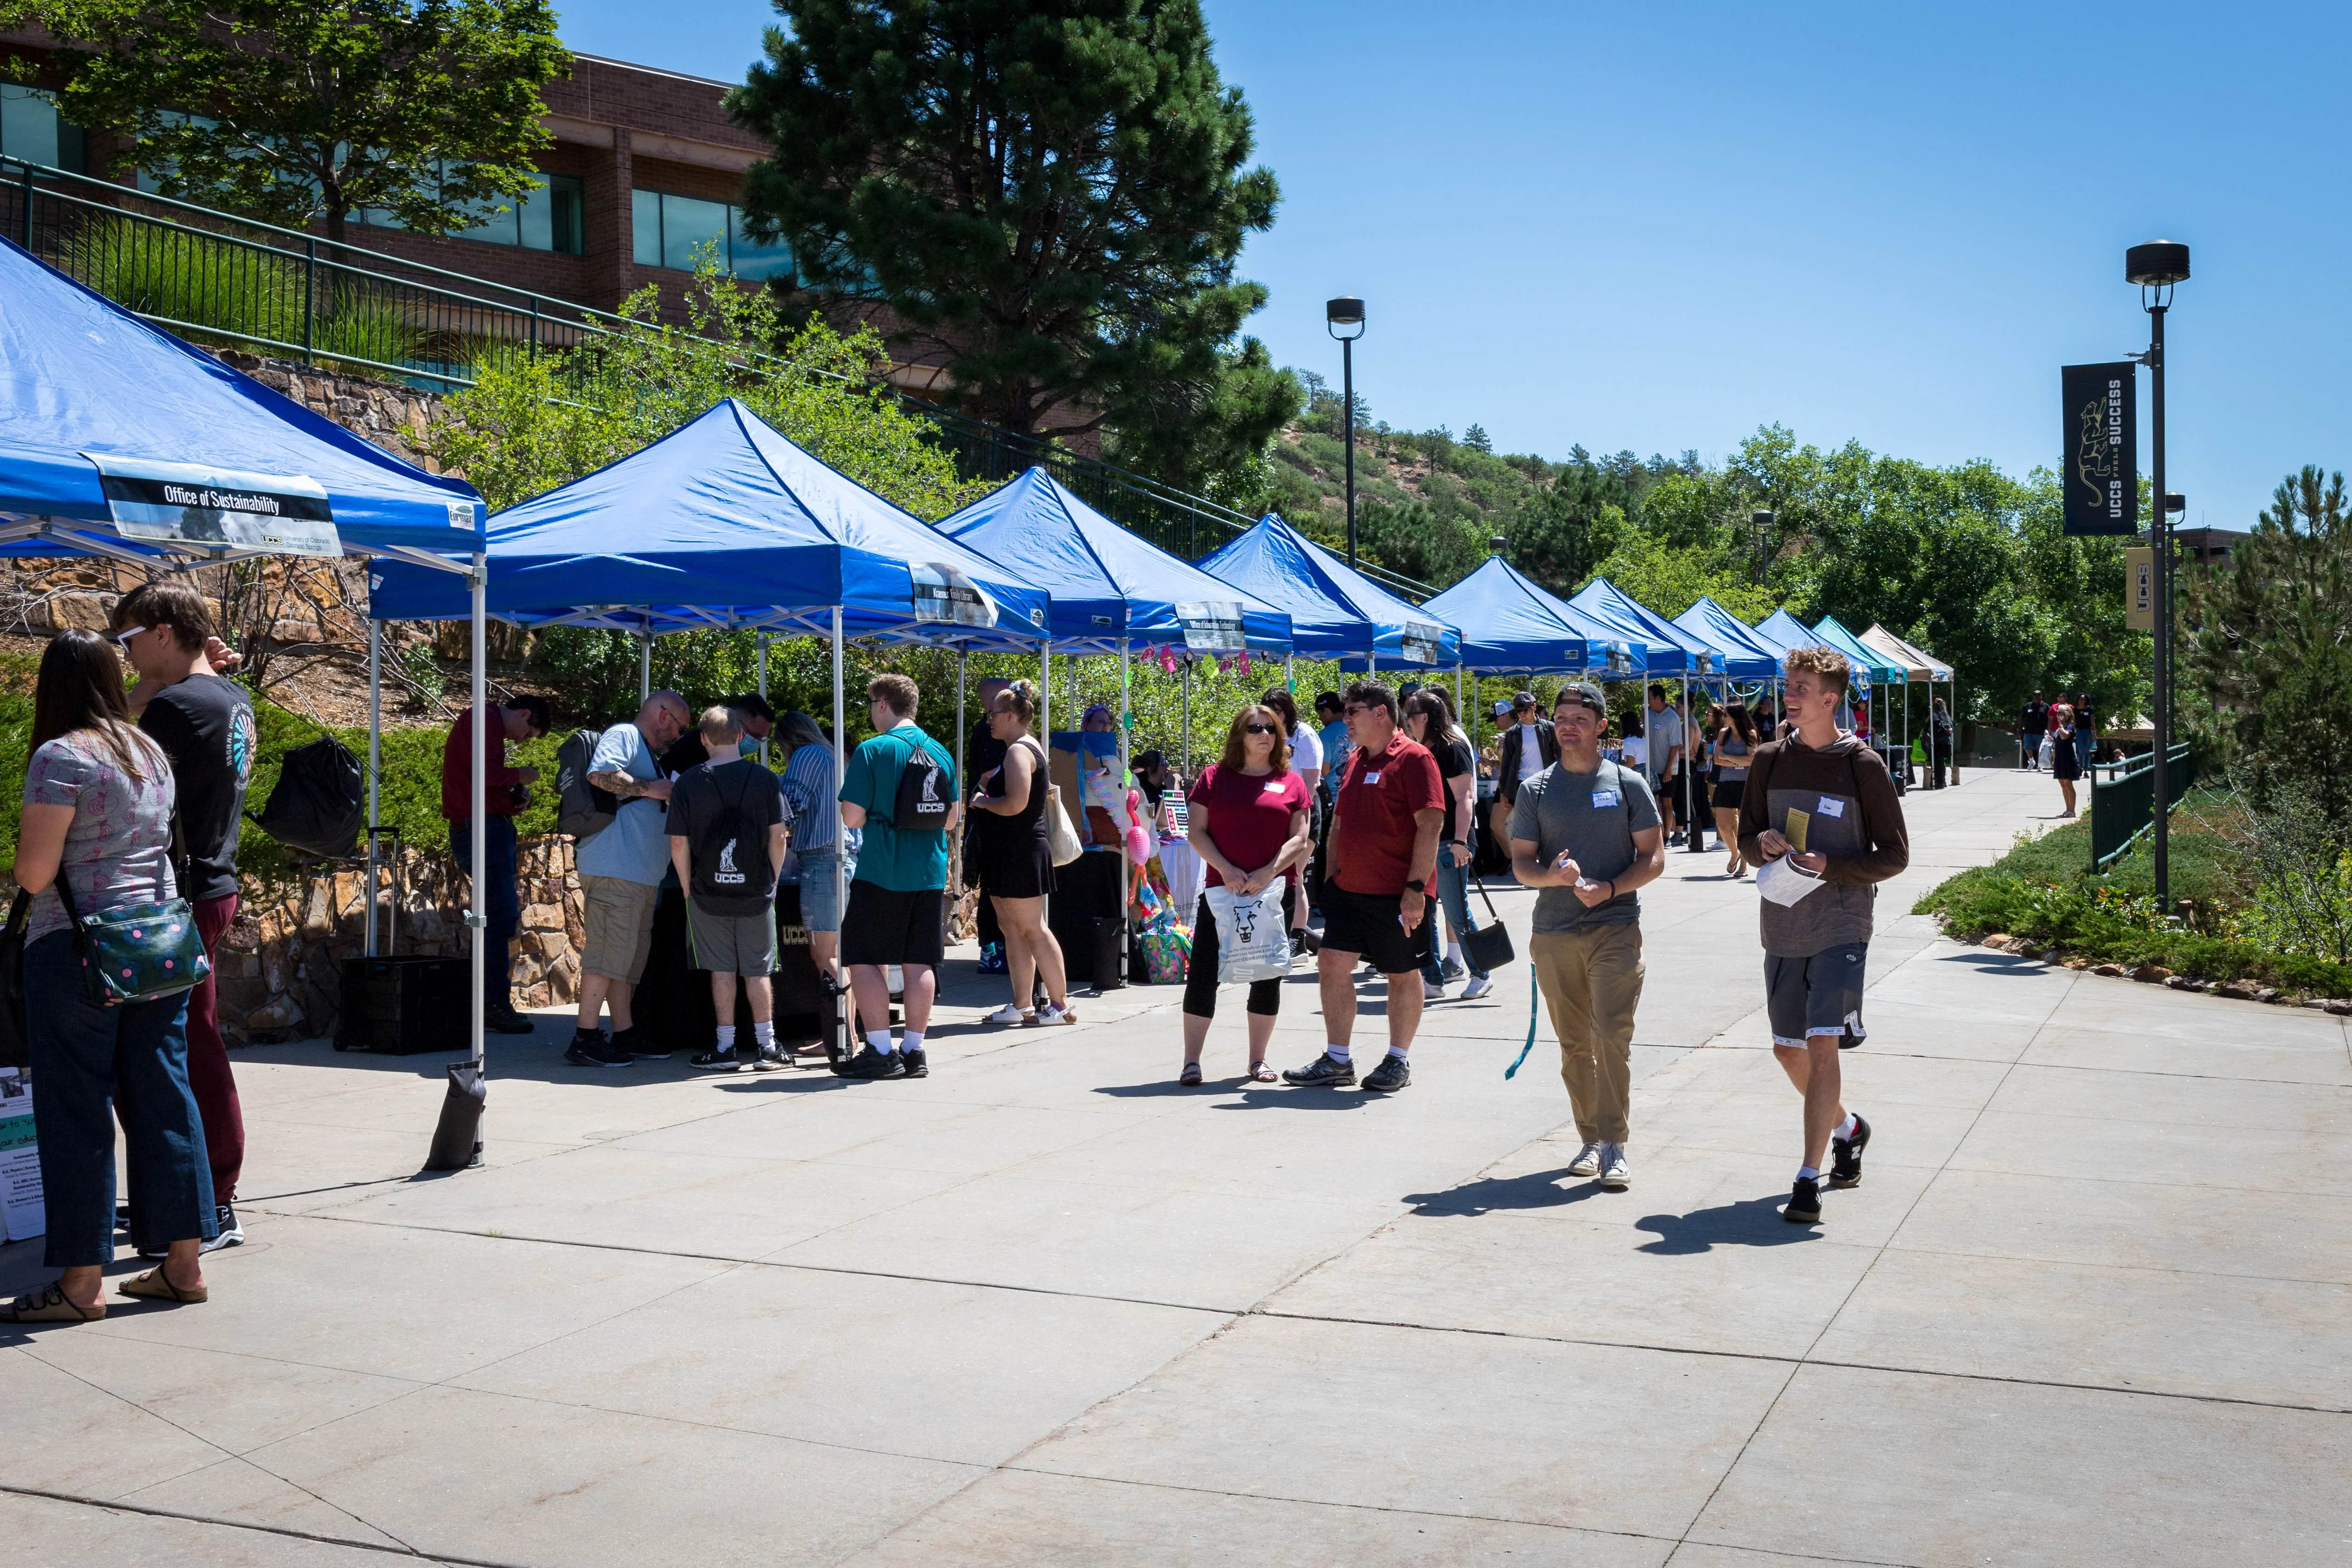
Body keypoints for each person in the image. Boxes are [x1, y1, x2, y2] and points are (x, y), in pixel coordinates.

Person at [1, 630, 216, 1323]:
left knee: (76, 1110)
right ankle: (182, 1266)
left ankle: (82, 1283)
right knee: (165, 1094)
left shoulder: (59, 757)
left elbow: (35, 875)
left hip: (77, 952)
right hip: (157, 949)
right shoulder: (148, 751)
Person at [1738, 646, 1909, 1225]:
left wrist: (1828, 866)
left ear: (1831, 699)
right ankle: (1848, 1129)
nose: (1789, 695)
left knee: (1819, 1042)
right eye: (1788, 686)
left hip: (1841, 920)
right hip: (1782, 920)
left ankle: (1807, 1179)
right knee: (1786, 1050)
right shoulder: (1766, 758)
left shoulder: (1862, 765)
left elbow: (1894, 856)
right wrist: (1758, 844)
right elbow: (1742, 839)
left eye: (1802, 688)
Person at [110, 580, 255, 1251]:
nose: (126, 653)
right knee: (188, 1041)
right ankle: (196, 1193)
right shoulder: (230, 697)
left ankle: (211, 1198)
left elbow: (114, 774)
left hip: (182, 893)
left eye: (129, 639)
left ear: (163, 632)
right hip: (210, 884)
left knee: (180, 1049)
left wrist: (139, 701)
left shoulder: (175, 707)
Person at [1512, 682, 1666, 1191]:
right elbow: (1520, 862)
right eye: (1561, 718)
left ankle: (1615, 1143)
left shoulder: (1627, 783)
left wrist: (1611, 888)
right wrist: (1550, 878)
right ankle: (1590, 1139)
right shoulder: (1534, 790)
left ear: (1601, 726)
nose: (1567, 726)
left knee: (1611, 1035)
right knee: (1574, 1044)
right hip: (1553, 932)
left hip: (1615, 927)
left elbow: (1653, 857)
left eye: (1579, 718)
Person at [1283, 680, 1444, 1094]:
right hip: (1349, 890)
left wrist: (1415, 888)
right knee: (1332, 964)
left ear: (1381, 713)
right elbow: (1339, 823)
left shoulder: (1415, 758)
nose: (1345, 717)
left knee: (1401, 974)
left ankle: (1397, 1059)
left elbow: (1431, 824)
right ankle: (1338, 1059)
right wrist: (1331, 877)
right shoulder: (1356, 759)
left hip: (1397, 892)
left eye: (1353, 710)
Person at [835, 673, 965, 1080]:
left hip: (881, 870)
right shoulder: (941, 752)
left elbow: (852, 816)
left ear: (882, 705)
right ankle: (914, 1049)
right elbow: (952, 818)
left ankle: (878, 1049)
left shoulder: (872, 750)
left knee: (861, 955)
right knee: (919, 960)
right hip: (928, 872)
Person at [1180, 704, 1313, 1084]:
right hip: (1223, 893)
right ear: (1240, 734)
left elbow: (1300, 837)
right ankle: (1192, 1061)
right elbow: (1197, 832)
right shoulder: (1213, 777)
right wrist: (1225, 868)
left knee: (1267, 974)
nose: (1264, 734)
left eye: (1271, 728)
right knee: (1204, 973)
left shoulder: (1292, 782)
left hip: (1273, 892)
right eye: (1255, 728)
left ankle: (1258, 1060)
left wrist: (1268, 872)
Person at [568, 690, 691, 1068]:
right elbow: (601, 774)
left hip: (636, 875)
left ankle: (625, 1033)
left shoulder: (645, 750)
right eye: (680, 727)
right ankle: (585, 1038)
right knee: (607, 956)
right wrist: (653, 788)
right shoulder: (624, 734)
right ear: (663, 714)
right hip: (614, 869)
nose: (679, 737)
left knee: (626, 959)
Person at [668, 707, 792, 1072]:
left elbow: (679, 843)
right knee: (758, 970)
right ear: (741, 736)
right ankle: (767, 1046)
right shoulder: (766, 779)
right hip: (756, 891)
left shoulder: (689, 783)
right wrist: (772, 876)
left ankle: (725, 1047)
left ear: (703, 739)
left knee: (720, 970)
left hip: (707, 892)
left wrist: (688, 887)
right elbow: (779, 836)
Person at [441, 693, 551, 1035]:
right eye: (527, 733)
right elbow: (483, 772)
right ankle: (493, 1005)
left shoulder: (482, 721)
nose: (521, 740)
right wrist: (522, 775)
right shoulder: (485, 721)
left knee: (493, 918)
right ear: (524, 714)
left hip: (480, 825)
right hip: (482, 830)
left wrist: (512, 796)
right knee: (497, 918)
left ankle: (485, 1003)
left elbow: (479, 778)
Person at [967, 679, 1071, 1028]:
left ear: (1011, 716)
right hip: (1007, 851)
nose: (988, 720)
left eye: (992, 714)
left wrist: (983, 800)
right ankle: (1022, 1004)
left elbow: (1015, 804)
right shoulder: (1019, 749)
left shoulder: (1018, 751)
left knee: (1033, 928)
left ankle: (1060, 1004)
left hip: (1020, 851)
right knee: (1011, 927)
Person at [1404, 688, 1492, 1001]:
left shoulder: (1451, 749)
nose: (1407, 722)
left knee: (1457, 912)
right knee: (1424, 912)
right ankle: (1433, 978)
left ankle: (1481, 973)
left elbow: (1465, 797)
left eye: (1410, 716)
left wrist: (1460, 840)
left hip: (1451, 843)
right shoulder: (1419, 750)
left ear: (1424, 717)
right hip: (1427, 842)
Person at [776, 710, 855, 1052]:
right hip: (836, 861)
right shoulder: (833, 756)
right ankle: (840, 1032)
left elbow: (792, 805)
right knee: (836, 955)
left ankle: (843, 1036)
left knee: (827, 957)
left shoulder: (807, 754)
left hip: (823, 862)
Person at [965, 676, 1012, 971]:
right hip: (990, 821)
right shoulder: (987, 731)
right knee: (994, 887)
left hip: (998, 818)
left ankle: (1000, 948)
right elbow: (988, 774)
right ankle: (991, 951)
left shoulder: (999, 731)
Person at [1488, 691, 1559, 851]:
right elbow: (1506, 765)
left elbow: (1560, 757)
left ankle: (1543, 858)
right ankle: (1520, 860)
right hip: (1521, 784)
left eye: (1525, 711)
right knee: (1524, 825)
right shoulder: (1513, 733)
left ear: (1534, 707)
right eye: (1518, 712)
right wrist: (1504, 793)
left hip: (1545, 782)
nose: (1522, 715)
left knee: (1545, 824)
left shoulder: (1549, 729)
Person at [662, 692, 773, 774]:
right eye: (754, 736)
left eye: (761, 739)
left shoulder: (733, 754)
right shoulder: (694, 748)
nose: (755, 742)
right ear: (737, 725)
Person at [1711, 702, 1758, 879]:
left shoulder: (1750, 734)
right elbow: (1717, 760)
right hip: (1725, 782)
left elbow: (1751, 761)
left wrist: (1729, 757)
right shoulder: (1724, 734)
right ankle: (1734, 853)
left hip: (1745, 783)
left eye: (1726, 716)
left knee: (1744, 825)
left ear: (1735, 717)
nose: (1723, 719)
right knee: (1723, 825)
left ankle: (1744, 865)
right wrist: (1738, 760)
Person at [1644, 685, 1686, 846]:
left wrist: (1668, 769)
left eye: (1650, 699)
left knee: (1666, 802)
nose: (1648, 702)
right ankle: (1657, 833)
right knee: (1653, 802)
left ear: (1658, 699)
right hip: (1651, 768)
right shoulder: (1649, 715)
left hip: (1669, 769)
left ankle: (1667, 835)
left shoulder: (1672, 718)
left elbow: (1675, 746)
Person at [2049, 702, 2081, 817]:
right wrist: (2052, 740)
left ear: (2066, 714)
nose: (2058, 715)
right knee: (2062, 783)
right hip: (2060, 758)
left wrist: (2061, 725)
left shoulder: (2070, 726)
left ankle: (2072, 811)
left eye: (2060, 713)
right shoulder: (2060, 728)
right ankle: (2067, 809)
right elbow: (2059, 740)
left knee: (2068, 783)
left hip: (2068, 758)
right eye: (2057, 713)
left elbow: (2065, 736)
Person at [1928, 696, 1954, 788]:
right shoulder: (1947, 716)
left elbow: (1934, 726)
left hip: (1938, 742)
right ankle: (1942, 781)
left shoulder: (1935, 715)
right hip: (1947, 741)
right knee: (1941, 761)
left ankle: (1939, 781)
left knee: (1937, 762)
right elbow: (1952, 726)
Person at [2019, 692, 2048, 772]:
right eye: (2035, 696)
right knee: (2027, 747)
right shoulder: (2028, 706)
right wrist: (2020, 729)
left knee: (2041, 749)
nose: (2037, 697)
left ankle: (2040, 765)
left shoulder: (2046, 706)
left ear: (2041, 697)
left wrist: (2048, 730)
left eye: (2038, 696)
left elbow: (2050, 719)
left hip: (2040, 732)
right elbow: (2022, 718)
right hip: (2028, 731)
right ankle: (2032, 761)